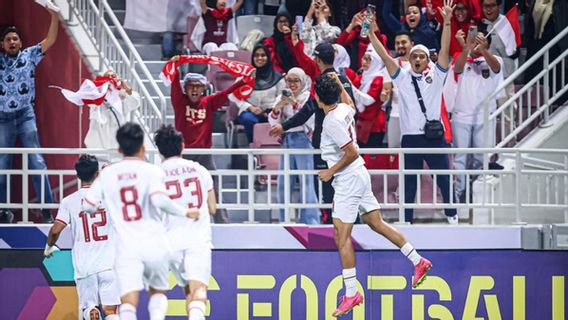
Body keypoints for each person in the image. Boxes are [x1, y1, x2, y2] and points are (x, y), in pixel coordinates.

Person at [315, 74, 432, 317]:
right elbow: (351, 104)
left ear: (317, 98)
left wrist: (329, 172)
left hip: (348, 178)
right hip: (360, 176)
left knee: (341, 236)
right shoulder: (344, 108)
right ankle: (417, 260)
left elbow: (352, 152)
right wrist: (338, 82)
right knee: (375, 222)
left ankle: (350, 293)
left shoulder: (330, 123)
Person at [82, 122, 198, 320]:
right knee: (158, 293)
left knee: (128, 302)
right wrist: (185, 212)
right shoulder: (153, 171)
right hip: (155, 242)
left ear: (119, 149)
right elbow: (161, 201)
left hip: (126, 247)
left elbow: (88, 206)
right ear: (143, 147)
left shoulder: (108, 174)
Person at [370, 0, 458, 224]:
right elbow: (386, 57)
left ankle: (452, 214)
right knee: (408, 180)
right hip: (410, 138)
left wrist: (447, 22)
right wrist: (371, 34)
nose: (418, 59)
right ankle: (406, 219)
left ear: (428, 60)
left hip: (434, 137)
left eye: (422, 57)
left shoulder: (437, 76)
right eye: (414, 57)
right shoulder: (403, 77)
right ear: (409, 59)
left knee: (444, 179)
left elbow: (445, 50)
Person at [269, 42, 356, 224]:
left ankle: (328, 225)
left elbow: (306, 111)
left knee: (325, 185)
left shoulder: (322, 82)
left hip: (327, 139)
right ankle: (352, 224)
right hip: (346, 138)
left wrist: (284, 127)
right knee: (347, 185)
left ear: (317, 59)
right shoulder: (344, 79)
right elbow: (352, 108)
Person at [169, 55, 250, 223]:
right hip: (184, 154)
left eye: (198, 87)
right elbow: (174, 86)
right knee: (182, 190)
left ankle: (222, 222)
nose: (194, 90)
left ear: (204, 89)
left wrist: (242, 82)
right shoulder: (179, 102)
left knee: (214, 188)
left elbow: (226, 93)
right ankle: (180, 221)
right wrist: (176, 67)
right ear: (185, 88)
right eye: (191, 86)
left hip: (205, 154)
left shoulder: (208, 102)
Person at [0, 3, 59, 223]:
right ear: (3, 44)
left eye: (15, 39)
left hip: (26, 116)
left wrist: (54, 15)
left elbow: (50, 40)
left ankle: (46, 210)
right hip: (3, 118)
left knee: (36, 161)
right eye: (8, 39)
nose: (12, 42)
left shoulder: (29, 55)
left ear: (21, 42)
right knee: (2, 165)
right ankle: (3, 211)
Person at [44, 155, 120, 320]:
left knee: (88, 307)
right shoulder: (109, 197)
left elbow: (56, 230)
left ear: (77, 176)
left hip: (84, 266)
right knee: (111, 311)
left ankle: (92, 312)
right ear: (96, 173)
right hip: (108, 264)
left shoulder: (69, 201)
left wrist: (49, 245)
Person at [154, 125, 216, 320]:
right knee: (199, 293)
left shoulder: (154, 174)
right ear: (182, 146)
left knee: (189, 290)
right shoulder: (200, 170)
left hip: (170, 243)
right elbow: (213, 208)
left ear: (159, 149)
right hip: (197, 241)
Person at [449, 28, 504, 203]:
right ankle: (459, 196)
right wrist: (466, 47)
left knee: (481, 158)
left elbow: (495, 67)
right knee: (460, 160)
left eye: (481, 39)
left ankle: (479, 197)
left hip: (484, 116)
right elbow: (457, 69)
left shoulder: (495, 59)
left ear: (488, 42)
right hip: (461, 116)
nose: (477, 42)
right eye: (475, 39)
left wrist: (483, 51)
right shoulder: (464, 59)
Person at [267, 68, 320, 224]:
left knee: (306, 181)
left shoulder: (307, 98)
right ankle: (284, 220)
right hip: (287, 139)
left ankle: (311, 221)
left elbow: (309, 120)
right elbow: (273, 121)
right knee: (284, 182)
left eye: (296, 80)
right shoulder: (281, 96)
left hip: (303, 139)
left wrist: (294, 103)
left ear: (302, 81)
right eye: (289, 80)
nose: (292, 84)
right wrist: (278, 107)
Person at [236, 44, 285, 143]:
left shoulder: (277, 77)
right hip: (252, 113)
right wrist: (251, 108)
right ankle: (253, 146)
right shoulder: (245, 76)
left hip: (272, 113)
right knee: (248, 119)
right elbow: (236, 96)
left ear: (268, 57)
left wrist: (273, 110)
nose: (259, 58)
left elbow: (281, 96)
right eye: (256, 55)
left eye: (263, 55)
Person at [84, 70, 140, 153]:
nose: (110, 78)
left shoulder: (122, 96)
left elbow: (136, 102)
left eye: (113, 76)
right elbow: (87, 97)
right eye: (107, 76)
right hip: (98, 145)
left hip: (117, 145)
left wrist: (126, 89)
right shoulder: (96, 94)